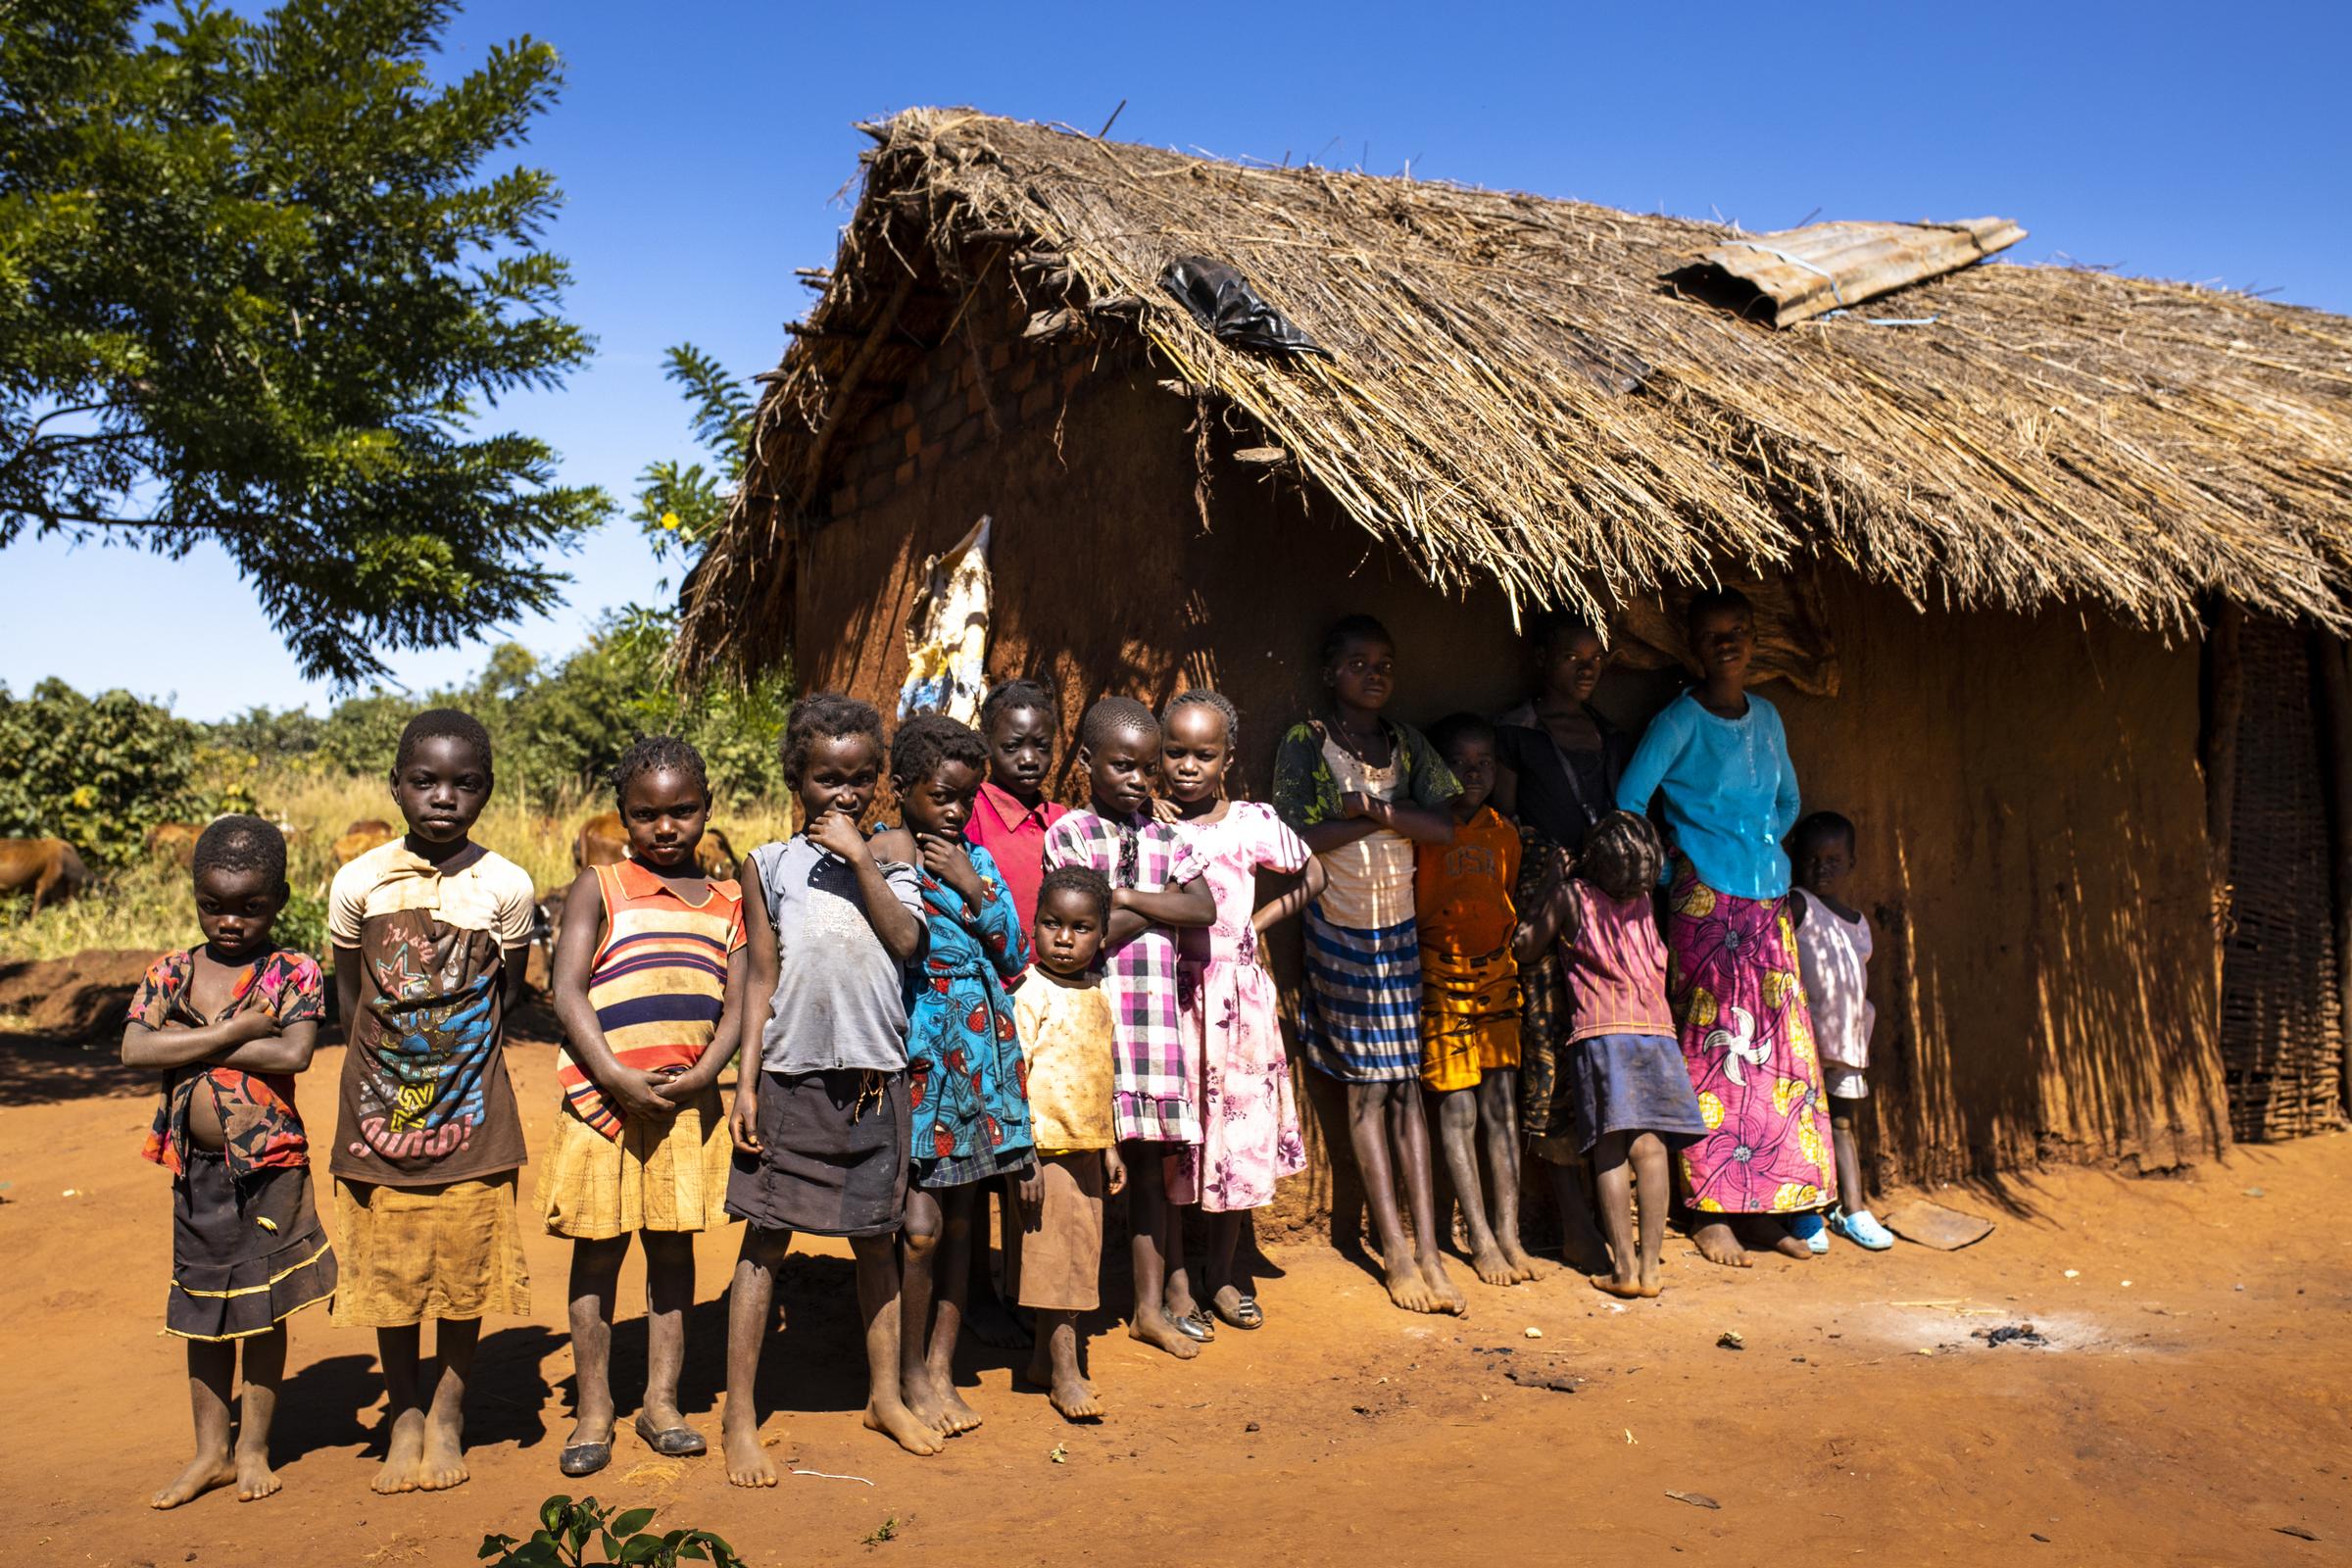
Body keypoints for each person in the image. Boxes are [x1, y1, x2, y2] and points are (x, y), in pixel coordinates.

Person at [722, 695, 939, 1485]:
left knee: (875, 1240)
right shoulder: (767, 865)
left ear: (877, 781)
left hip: (872, 1083)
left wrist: (859, 856)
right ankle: (739, 1416)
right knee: (763, 1240)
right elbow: (761, 978)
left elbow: (907, 938)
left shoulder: (895, 856)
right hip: (788, 1076)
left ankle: (884, 1395)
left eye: (857, 779)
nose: (842, 794)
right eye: (825, 779)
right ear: (797, 780)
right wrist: (743, 1085)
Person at [328, 709, 537, 1494]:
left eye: (464, 783)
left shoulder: (506, 885)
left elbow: (507, 993)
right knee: (393, 1270)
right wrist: (397, 1070)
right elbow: (350, 1000)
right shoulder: (360, 881)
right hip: (378, 1111)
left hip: (473, 1111)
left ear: (485, 791)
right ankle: (405, 1413)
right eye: (425, 781)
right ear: (396, 786)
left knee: (464, 1265)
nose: (443, 797)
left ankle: (447, 1412)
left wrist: (447, 1060)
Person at [539, 736, 749, 1477]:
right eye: (647, 815)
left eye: (683, 812)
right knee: (597, 1254)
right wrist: (615, 1076)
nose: (666, 828)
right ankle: (593, 1407)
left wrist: (707, 1077)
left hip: (685, 1107)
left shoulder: (730, 902)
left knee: (672, 1250)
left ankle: (662, 1401)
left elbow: (739, 1005)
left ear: (707, 811)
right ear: (623, 817)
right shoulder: (602, 887)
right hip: (601, 1101)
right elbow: (566, 992)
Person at [1616, 589, 1837, 1268]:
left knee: (1777, 1058)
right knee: (1714, 1050)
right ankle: (1709, 1207)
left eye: (1738, 631)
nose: (1728, 644)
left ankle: (1768, 1208)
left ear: (1753, 640)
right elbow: (1629, 801)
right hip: (1706, 904)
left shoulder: (1767, 717)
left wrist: (1767, 855)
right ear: (1695, 645)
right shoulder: (1677, 722)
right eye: (1713, 635)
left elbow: (1788, 800)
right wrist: (1669, 874)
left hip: (1767, 904)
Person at [123, 815, 336, 1509]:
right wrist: (238, 1030)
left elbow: (292, 1054)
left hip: (270, 1170)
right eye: (213, 905)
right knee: (200, 1310)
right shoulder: (171, 971)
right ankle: (208, 1453)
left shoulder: (294, 970)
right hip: (196, 1174)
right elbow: (134, 1051)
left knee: (260, 1309)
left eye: (250, 906)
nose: (230, 921)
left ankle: (252, 1451)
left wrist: (197, 1039)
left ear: (277, 899)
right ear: (195, 896)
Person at [1272, 614, 1465, 1316]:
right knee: (1367, 1092)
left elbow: (1445, 824)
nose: (1375, 672)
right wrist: (1387, 813)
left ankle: (1430, 1253)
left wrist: (1367, 806)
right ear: (1330, 673)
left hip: (1400, 937)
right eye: (1358, 661)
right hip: (1343, 935)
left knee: (1407, 1090)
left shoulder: (1406, 743)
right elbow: (1300, 834)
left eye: (1385, 661)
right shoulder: (1309, 742)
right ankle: (1395, 1252)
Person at [874, 712, 1034, 1439]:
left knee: (964, 1217)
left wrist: (973, 884)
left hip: (979, 1066)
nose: (957, 810)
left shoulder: (975, 861)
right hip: (915, 1060)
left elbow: (1015, 956)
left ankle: (940, 1369)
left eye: (968, 798)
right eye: (943, 794)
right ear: (902, 786)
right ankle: (904, 1373)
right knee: (919, 1225)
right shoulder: (879, 858)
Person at [1041, 697, 1216, 1358]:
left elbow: (1200, 906)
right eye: (1123, 766)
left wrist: (1131, 898)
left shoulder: (1169, 836)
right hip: (1094, 1029)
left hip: (1155, 1034)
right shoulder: (1072, 835)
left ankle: (1148, 1310)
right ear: (1086, 763)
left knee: (1148, 1175)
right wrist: (1152, 907)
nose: (1140, 781)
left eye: (1149, 769)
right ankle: (1063, 1322)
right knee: (1084, 1175)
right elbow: (1083, 934)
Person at [1159, 689, 1324, 1333]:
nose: (1188, 766)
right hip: (1173, 999)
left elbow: (1312, 875)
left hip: (1239, 1006)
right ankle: (1175, 1280)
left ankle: (1222, 1276)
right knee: (1175, 1142)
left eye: (1204, 754)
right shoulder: (1154, 823)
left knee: (1235, 1139)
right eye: (1175, 752)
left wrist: (1259, 920)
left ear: (1227, 759)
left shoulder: (1252, 821)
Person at [1518, 810, 1709, 1298]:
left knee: (1609, 1148)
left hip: (1604, 1036)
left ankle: (1622, 1268)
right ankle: (1651, 1270)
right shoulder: (1644, 898)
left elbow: (1524, 947)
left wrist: (1549, 885)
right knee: (1650, 1148)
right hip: (1658, 1034)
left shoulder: (1571, 896)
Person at [1492, 612, 1628, 1273]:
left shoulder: (1606, 734)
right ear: (1540, 659)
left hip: (1606, 918)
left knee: (1606, 1051)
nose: (1585, 667)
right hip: (1547, 910)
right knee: (1550, 1054)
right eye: (1572, 655)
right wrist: (1548, 881)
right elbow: (1511, 828)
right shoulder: (1516, 734)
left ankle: (1616, 1219)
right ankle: (1574, 1221)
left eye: (1596, 657)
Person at [1415, 712, 1544, 1287]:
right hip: (1440, 980)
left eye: (1484, 762)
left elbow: (1505, 897)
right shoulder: (1423, 830)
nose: (1473, 773)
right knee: (1459, 1108)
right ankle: (1479, 1235)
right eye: (1459, 763)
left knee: (1501, 1108)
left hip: (1497, 977)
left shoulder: (1503, 833)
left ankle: (1509, 1232)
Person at [959, 676, 1069, 1349]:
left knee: (1030, 1150)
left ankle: (1026, 1289)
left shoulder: (1060, 820)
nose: (1029, 756)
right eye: (1013, 744)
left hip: (1045, 1007)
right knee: (981, 1153)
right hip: (983, 1004)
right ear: (987, 746)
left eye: (1041, 744)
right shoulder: (970, 815)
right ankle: (973, 1292)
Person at [1012, 865, 1128, 1419]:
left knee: (1078, 1259)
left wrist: (1109, 1145)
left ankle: (1043, 1361)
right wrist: (1024, 1157)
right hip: (1047, 1151)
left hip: (1086, 1148)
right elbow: (1016, 1078)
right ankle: (1065, 1373)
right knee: (1057, 1265)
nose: (1064, 938)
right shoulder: (1030, 995)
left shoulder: (1099, 995)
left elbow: (1100, 1076)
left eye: (1081, 928)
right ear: (1033, 925)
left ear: (1102, 935)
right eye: (1051, 924)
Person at [1788, 810, 1893, 1251]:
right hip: (1804, 1043)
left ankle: (1852, 1209)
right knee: (1800, 1122)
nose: (1822, 868)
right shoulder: (1797, 904)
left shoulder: (1856, 921)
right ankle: (1801, 1210)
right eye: (1812, 858)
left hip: (1848, 1043)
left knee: (1844, 1123)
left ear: (1851, 863)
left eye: (1833, 859)